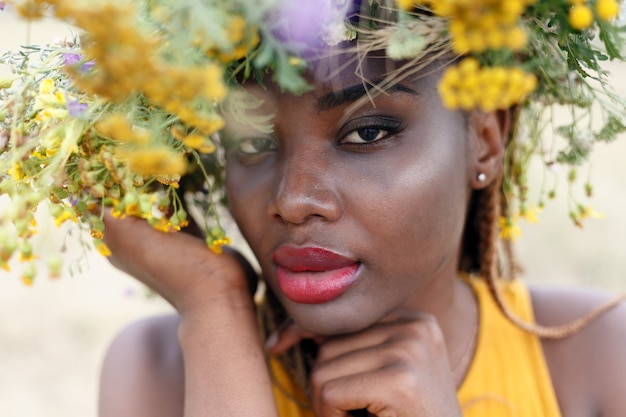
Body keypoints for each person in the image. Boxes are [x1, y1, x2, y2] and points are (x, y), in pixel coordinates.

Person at [96, 2, 626, 416]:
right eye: (253, 144)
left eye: (368, 132)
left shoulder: (599, 359)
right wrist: (216, 308)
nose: (293, 201)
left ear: (485, 139)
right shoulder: (160, 372)